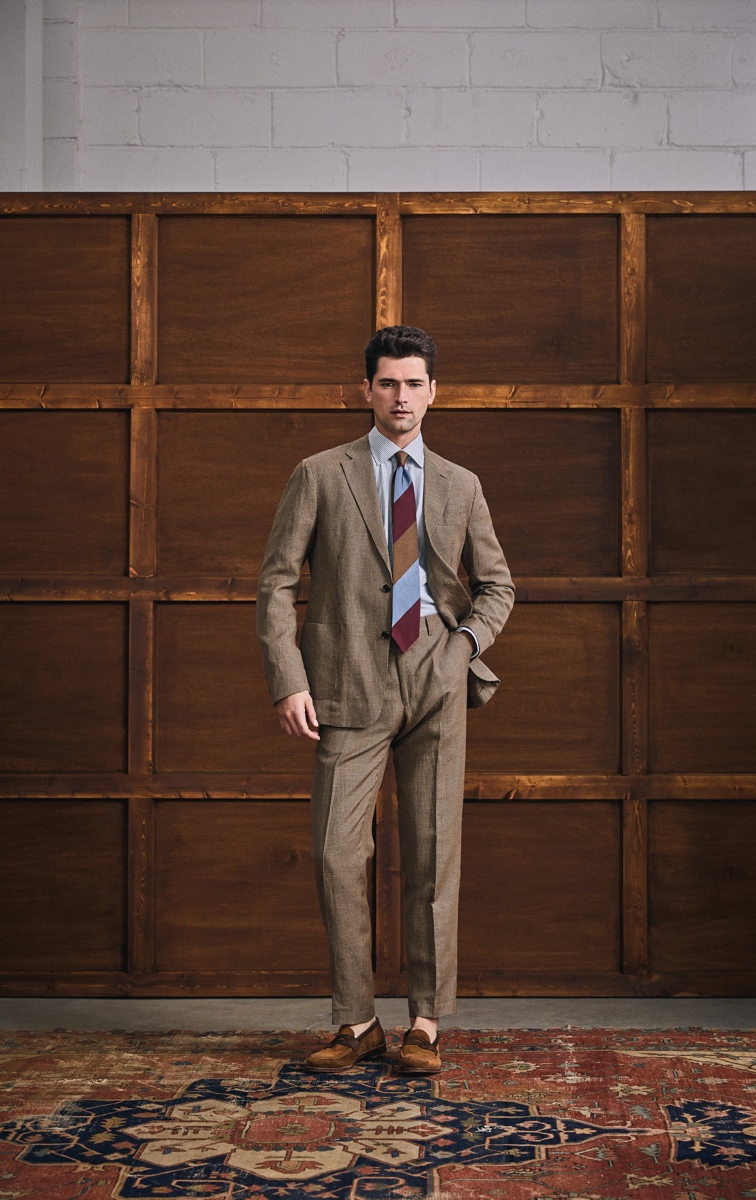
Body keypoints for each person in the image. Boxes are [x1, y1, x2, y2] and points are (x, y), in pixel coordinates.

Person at [256, 325, 514, 1075]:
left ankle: (425, 1025)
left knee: (433, 854)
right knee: (339, 853)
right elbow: (276, 582)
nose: (401, 396)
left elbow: (497, 583)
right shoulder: (320, 473)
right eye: (388, 383)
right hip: (345, 682)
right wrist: (289, 677)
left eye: (414, 383)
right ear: (365, 389)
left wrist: (464, 647)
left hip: (436, 675)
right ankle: (357, 1020)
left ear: (435, 391)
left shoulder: (461, 483)